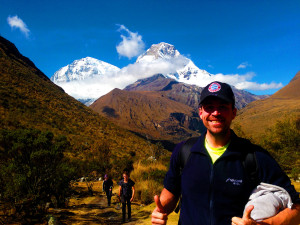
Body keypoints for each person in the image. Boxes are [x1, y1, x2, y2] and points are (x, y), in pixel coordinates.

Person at [151, 81, 300, 225]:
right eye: (209, 107)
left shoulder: (254, 156)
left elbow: (297, 207)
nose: (216, 113)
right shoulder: (184, 151)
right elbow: (171, 190)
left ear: (233, 112)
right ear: (201, 112)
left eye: (223, 107)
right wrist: (162, 210)